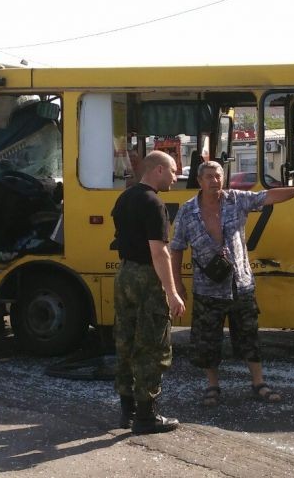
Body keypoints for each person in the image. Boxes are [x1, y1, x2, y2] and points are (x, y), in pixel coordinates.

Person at [170, 161, 294, 407]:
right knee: (206, 341)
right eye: (209, 177)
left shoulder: (236, 199)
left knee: (249, 336)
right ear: (199, 181)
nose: (214, 181)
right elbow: (176, 248)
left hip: (240, 284)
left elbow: (268, 196)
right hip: (207, 287)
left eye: (218, 176)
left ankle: (258, 382)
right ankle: (212, 386)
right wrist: (176, 284)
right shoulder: (187, 211)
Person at [111, 150, 186, 434]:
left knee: (126, 340)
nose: (176, 177)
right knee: (152, 344)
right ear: (158, 170)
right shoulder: (154, 203)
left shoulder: (125, 198)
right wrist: (172, 292)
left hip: (125, 274)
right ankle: (146, 416)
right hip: (146, 278)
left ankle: (127, 412)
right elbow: (159, 252)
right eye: (173, 171)